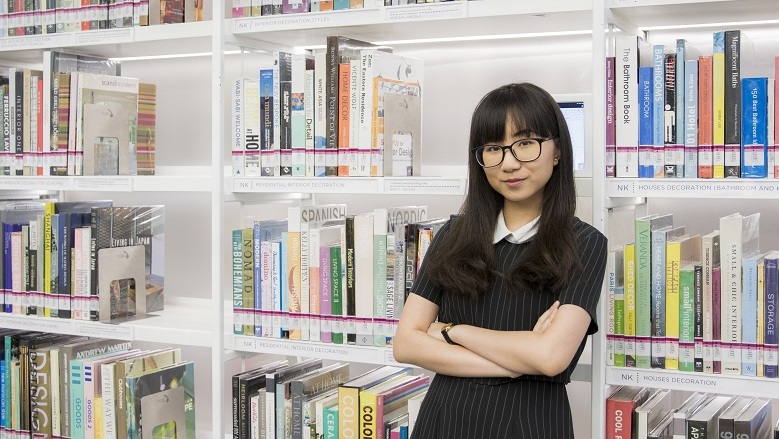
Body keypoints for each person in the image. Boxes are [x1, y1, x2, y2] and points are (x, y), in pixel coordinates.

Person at [393, 82, 607, 439]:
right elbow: (405, 344)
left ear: (557, 151)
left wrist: (451, 331)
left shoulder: (584, 243)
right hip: (444, 422)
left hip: (530, 426)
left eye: (525, 143)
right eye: (494, 148)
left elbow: (551, 357)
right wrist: (515, 362)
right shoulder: (453, 235)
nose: (509, 163)